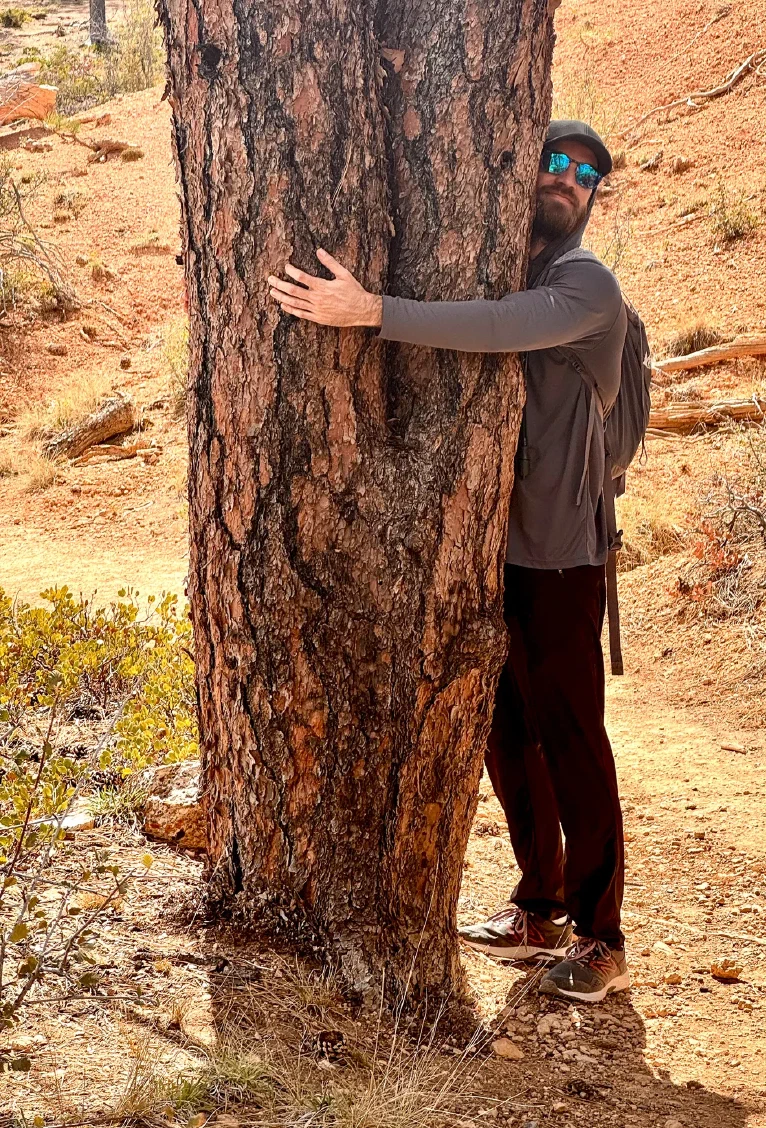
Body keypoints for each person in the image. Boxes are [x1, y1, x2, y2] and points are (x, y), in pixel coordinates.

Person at [268, 120, 629, 1003]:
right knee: (506, 729)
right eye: (554, 160)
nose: (565, 179)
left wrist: (373, 311)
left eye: (584, 174)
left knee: (573, 735)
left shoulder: (586, 284)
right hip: (485, 549)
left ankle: (602, 935)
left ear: (592, 197)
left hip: (561, 556)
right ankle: (537, 903)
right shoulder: (516, 262)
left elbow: (501, 328)